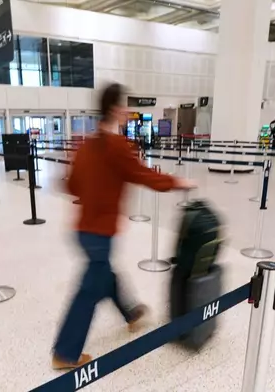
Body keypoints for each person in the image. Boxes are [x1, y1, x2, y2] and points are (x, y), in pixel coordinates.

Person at [52, 83, 193, 370]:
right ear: (115, 109)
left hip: (81, 230)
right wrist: (180, 182)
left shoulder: (85, 145)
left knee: (103, 273)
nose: (128, 111)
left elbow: (71, 184)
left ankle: (131, 314)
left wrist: (93, 190)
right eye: (125, 105)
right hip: (99, 233)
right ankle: (65, 353)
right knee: (90, 288)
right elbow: (144, 176)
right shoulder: (116, 146)